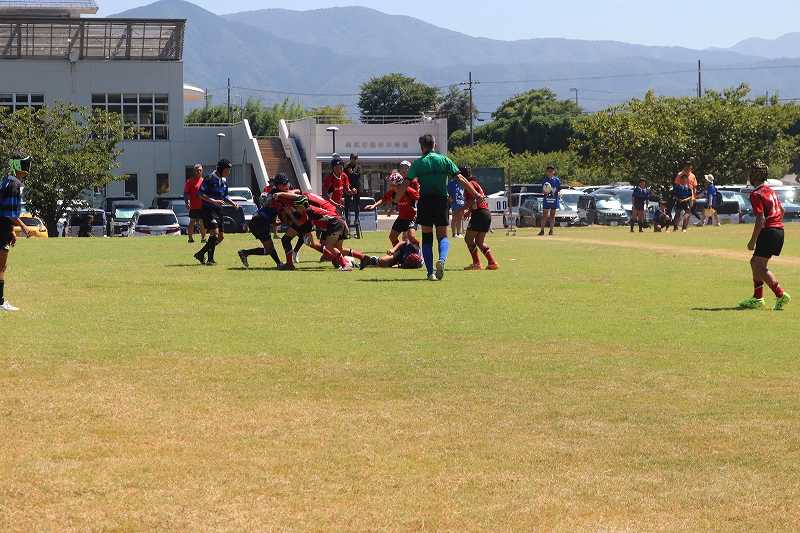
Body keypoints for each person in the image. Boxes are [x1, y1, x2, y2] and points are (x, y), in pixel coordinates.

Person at [406, 134, 482, 281]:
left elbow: (406, 182)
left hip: (425, 202)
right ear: (434, 145)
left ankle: (430, 273)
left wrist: (396, 198)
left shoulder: (418, 163)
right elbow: (460, 178)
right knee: (442, 236)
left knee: (427, 238)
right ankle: (441, 260)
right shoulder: (444, 160)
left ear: (422, 147)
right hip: (441, 201)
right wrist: (476, 194)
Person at [738, 161, 791, 311]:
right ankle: (757, 298)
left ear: (754, 176)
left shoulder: (756, 193)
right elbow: (782, 210)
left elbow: (760, 219)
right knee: (755, 262)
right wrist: (775, 224)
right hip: (778, 230)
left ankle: (780, 294)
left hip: (769, 231)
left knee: (760, 266)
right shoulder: (770, 190)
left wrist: (752, 240)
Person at [290, 196, 367, 271]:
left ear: (302, 206)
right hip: (340, 222)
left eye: (297, 207)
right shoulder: (310, 209)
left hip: (335, 224)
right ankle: (363, 257)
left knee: (328, 246)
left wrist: (307, 235)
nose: (297, 209)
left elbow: (307, 226)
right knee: (339, 249)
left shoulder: (309, 211)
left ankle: (345, 265)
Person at [0, 152, 32, 312]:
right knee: (1, 267)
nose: (28, 167)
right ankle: (0, 302)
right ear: (19, 165)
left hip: (4, 227)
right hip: (1, 227)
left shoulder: (6, 180)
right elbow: (10, 212)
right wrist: (24, 227)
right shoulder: (15, 184)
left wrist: (12, 230)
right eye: (26, 163)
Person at [193, 159, 237, 265]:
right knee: (214, 233)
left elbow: (225, 196)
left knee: (220, 237)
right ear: (220, 169)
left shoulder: (224, 181)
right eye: (227, 170)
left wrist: (233, 203)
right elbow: (200, 194)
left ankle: (200, 254)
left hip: (218, 210)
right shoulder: (209, 178)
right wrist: (213, 201)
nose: (228, 172)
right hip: (208, 210)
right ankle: (210, 259)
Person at [366, 162, 420, 248]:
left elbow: (420, 198)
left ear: (397, 184)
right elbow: (383, 199)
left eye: (391, 184)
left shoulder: (409, 190)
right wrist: (374, 205)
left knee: (411, 237)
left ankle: (418, 251)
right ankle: (401, 252)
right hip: (401, 217)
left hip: (411, 218)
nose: (389, 186)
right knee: (392, 237)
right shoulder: (392, 191)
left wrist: (419, 209)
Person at [462, 172, 499, 271]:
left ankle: (476, 263)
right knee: (479, 241)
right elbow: (476, 199)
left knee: (468, 239)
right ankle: (492, 262)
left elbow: (473, 200)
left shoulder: (469, 184)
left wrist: (462, 209)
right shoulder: (475, 183)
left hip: (479, 214)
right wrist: (469, 211)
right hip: (485, 213)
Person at [359, 240, 424, 270]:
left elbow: (403, 266)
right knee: (382, 260)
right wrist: (393, 249)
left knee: (386, 265)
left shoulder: (416, 264)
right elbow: (403, 242)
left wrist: (398, 266)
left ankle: (370, 262)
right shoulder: (414, 247)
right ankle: (371, 260)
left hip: (405, 260)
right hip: (401, 252)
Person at [183, 164, 206, 243]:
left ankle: (203, 238)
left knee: (202, 222)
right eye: (197, 170)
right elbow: (186, 193)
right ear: (194, 171)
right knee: (192, 222)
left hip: (203, 206)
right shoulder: (190, 181)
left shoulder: (204, 181)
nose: (198, 172)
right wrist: (187, 202)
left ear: (202, 171)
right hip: (194, 206)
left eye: (200, 170)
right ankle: (190, 238)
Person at [538, 166, 561, 236]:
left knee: (552, 215)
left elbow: (559, 189)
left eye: (551, 171)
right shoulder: (545, 180)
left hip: (554, 199)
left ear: (554, 172)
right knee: (544, 215)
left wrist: (559, 193)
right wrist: (545, 192)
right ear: (547, 172)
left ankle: (551, 230)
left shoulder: (557, 180)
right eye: (549, 171)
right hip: (547, 199)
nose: (550, 172)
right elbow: (543, 190)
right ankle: (542, 230)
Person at [344, 153, 362, 231]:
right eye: (352, 159)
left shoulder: (358, 167)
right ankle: (347, 219)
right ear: (350, 159)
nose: (354, 160)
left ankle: (356, 219)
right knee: (347, 203)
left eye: (355, 159)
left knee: (356, 204)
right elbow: (344, 177)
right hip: (348, 186)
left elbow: (358, 176)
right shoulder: (346, 167)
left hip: (356, 187)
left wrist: (352, 173)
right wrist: (348, 188)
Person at [448, 170, 466, 238]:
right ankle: (454, 234)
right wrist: (450, 198)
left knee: (460, 218)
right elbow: (448, 193)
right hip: (455, 203)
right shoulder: (451, 183)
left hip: (461, 202)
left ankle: (459, 233)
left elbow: (464, 192)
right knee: (454, 218)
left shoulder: (462, 182)